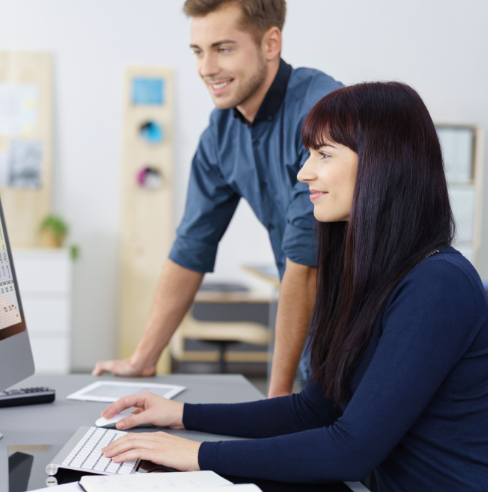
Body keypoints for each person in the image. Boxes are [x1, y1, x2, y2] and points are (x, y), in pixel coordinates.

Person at [98, 82, 488, 490]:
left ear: (382, 163)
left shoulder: (437, 286)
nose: (304, 172)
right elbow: (313, 410)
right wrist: (181, 415)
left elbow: (350, 450)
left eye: (323, 154)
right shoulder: (370, 278)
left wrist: (196, 455)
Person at [94, 0, 343, 398]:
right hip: (309, 333)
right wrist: (143, 359)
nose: (206, 68)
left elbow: (307, 266)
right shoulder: (221, 133)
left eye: (223, 48)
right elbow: (192, 244)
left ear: (270, 43)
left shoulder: (323, 112)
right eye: (198, 51)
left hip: (366, 328)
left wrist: (275, 400)